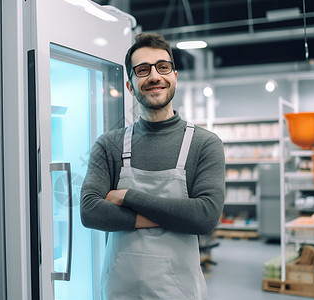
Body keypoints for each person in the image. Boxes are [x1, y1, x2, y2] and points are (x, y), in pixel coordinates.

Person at [80, 33, 225, 300]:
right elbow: (90, 212)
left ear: (175, 76)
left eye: (163, 66)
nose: (154, 76)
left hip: (179, 293)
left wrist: (127, 197)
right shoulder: (109, 144)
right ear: (130, 86)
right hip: (119, 292)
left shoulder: (204, 144)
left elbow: (205, 217)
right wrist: (176, 216)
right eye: (143, 70)